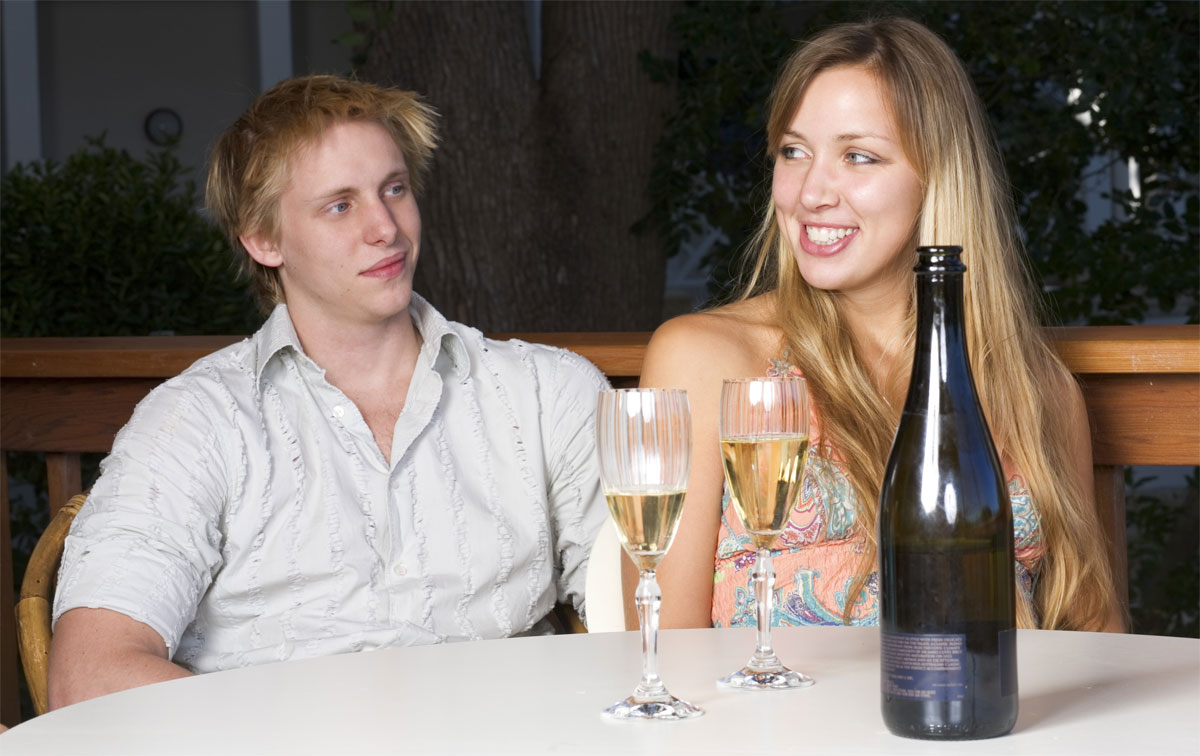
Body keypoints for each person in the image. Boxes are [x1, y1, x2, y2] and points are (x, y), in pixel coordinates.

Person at [48, 75, 610, 709]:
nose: (385, 228)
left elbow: (651, 625)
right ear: (263, 240)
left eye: (393, 189)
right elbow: (90, 675)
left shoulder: (547, 394)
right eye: (339, 205)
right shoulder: (194, 423)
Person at [633, 18, 1125, 633]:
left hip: (983, 723)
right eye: (794, 152)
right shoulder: (704, 360)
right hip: (770, 729)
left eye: (857, 156)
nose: (811, 192)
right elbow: (663, 653)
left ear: (936, 179)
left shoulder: (1035, 390)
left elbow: (1098, 639)